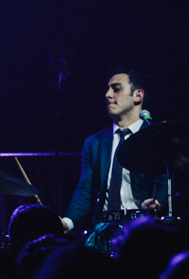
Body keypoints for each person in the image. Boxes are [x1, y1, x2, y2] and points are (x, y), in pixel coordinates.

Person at [61, 69, 167, 236]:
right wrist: (67, 222)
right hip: (104, 229)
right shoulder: (94, 143)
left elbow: (166, 181)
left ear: (138, 96)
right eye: (108, 89)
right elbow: (86, 190)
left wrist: (158, 202)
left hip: (144, 229)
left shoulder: (156, 138)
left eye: (116, 89)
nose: (108, 94)